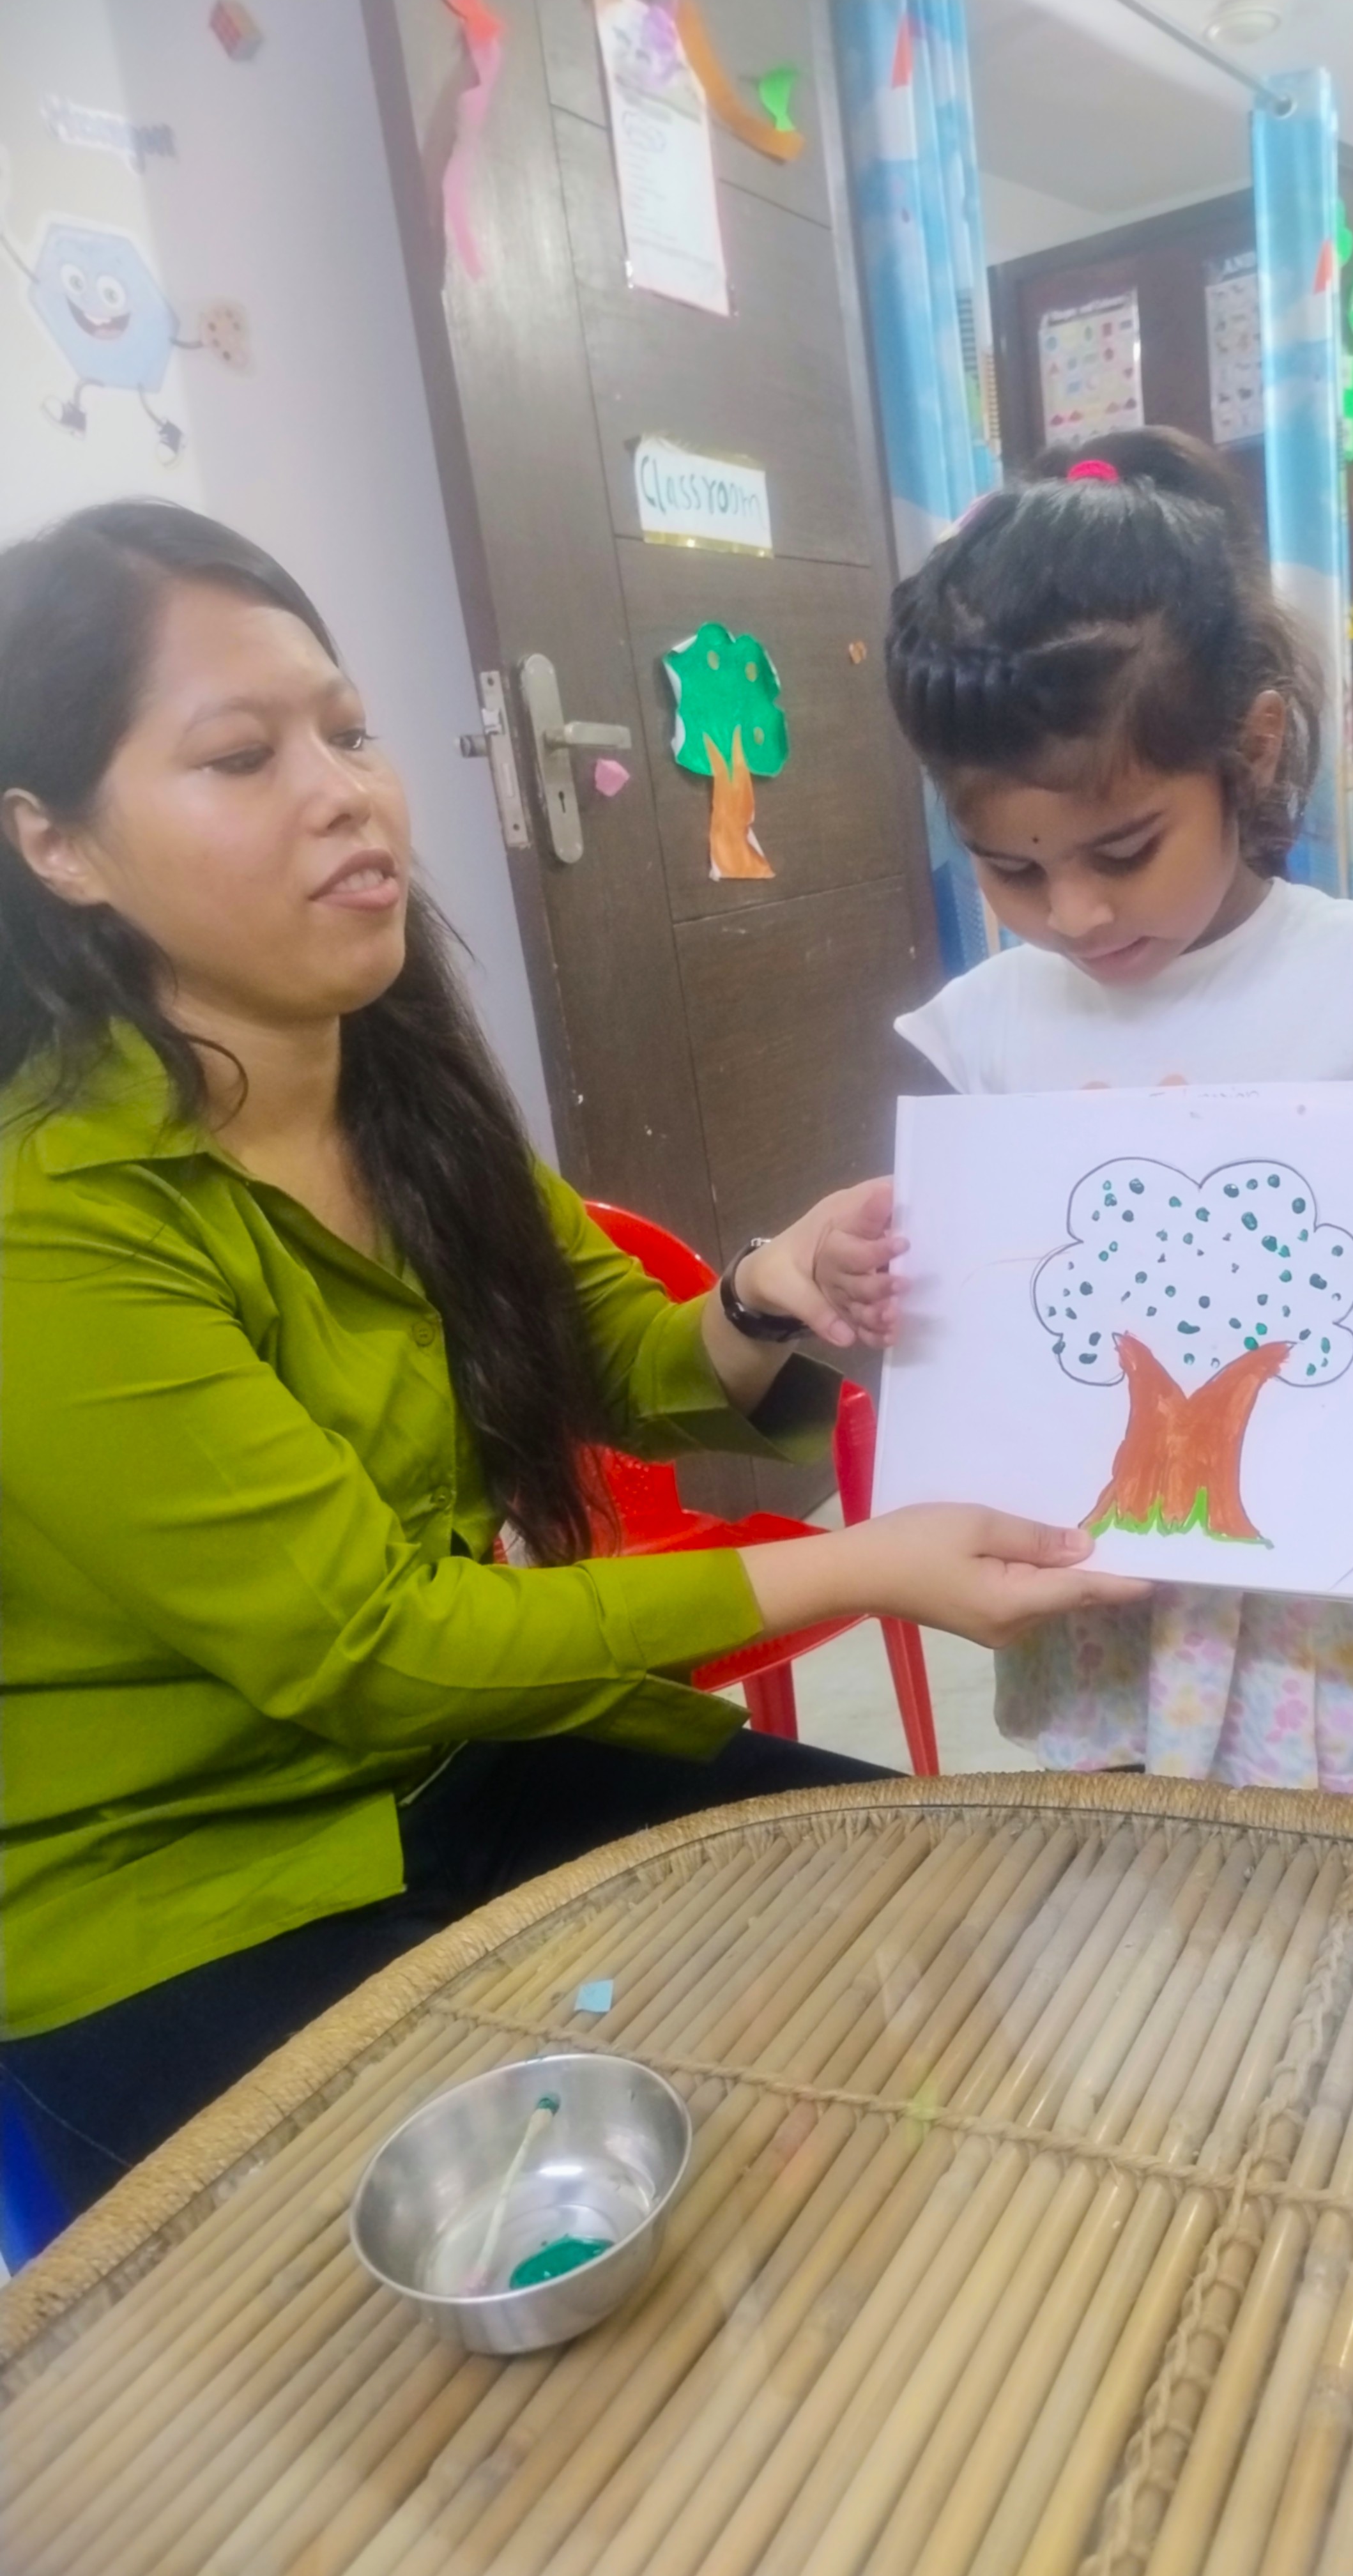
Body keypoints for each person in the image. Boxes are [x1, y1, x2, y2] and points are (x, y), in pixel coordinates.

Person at [0, 501, 1143, 2216]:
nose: (344, 793)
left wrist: (774, 1289)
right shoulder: (54, 1221)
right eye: (242, 757)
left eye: (348, 731)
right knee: (502, 2254)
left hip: (468, 1768)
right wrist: (860, 1567)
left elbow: (619, 1357)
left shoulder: (385, 1086)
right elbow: (374, 1647)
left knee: (941, 1914)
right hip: (173, 1897)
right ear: (58, 846)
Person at [826, 429, 1353, 1796]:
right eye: (1012, 868)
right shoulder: (980, 1033)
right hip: (1091, 1601)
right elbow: (966, 1311)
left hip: (1322, 1618)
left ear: (1251, 751)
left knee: (1347, 1936)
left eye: (1123, 850)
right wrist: (864, 1283)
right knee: (1135, 1930)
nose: (1076, 912)